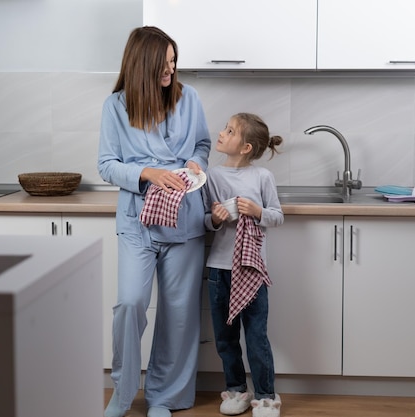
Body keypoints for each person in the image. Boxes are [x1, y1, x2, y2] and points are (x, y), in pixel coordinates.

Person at [98, 26, 211, 417]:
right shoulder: (116, 106)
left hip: (184, 218)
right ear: (142, 64)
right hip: (137, 220)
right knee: (130, 303)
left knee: (178, 313)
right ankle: (123, 391)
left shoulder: (189, 98)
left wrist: (197, 162)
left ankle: (164, 398)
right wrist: (147, 172)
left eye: (173, 61)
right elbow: (106, 165)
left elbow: (202, 143)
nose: (171, 69)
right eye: (164, 63)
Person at [202, 113, 284, 417]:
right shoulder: (212, 176)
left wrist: (257, 211)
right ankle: (236, 390)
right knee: (225, 338)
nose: (221, 134)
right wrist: (215, 218)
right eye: (225, 128)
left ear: (246, 147)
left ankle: (266, 396)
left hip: (252, 271)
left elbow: (278, 216)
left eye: (230, 131)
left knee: (256, 336)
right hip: (219, 270)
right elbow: (205, 222)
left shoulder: (262, 177)